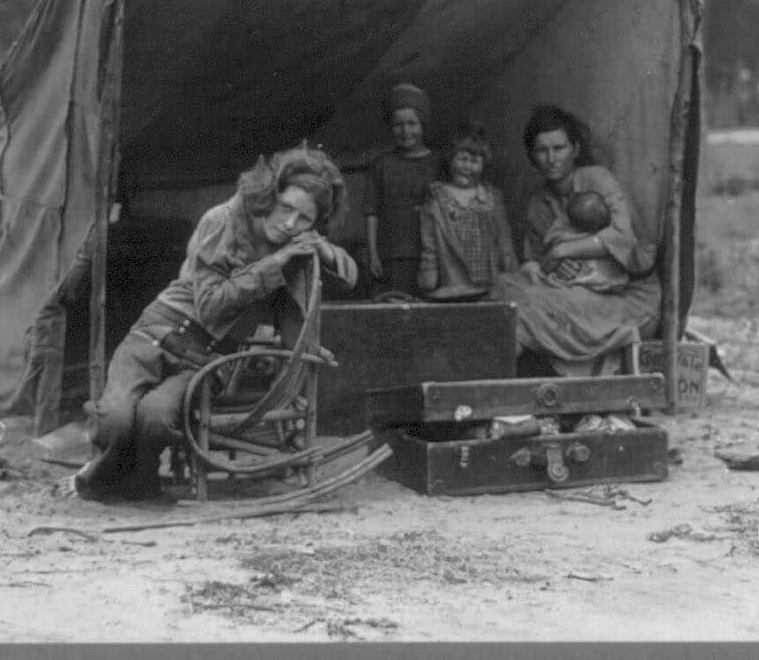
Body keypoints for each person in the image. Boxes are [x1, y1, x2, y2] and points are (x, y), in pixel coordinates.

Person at [74, 146, 358, 502]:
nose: (289, 224)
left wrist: (325, 250)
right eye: (286, 208)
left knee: (156, 417)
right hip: (156, 331)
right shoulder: (222, 221)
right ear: (270, 195)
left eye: (304, 219)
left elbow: (347, 277)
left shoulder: (296, 243)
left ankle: (140, 482)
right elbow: (209, 306)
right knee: (115, 419)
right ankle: (100, 477)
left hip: (209, 356)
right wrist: (275, 264)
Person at [491, 103, 661, 392]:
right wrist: (549, 264)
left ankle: (517, 387)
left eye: (559, 148)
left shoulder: (596, 180)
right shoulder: (538, 205)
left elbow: (621, 236)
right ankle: (504, 386)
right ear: (532, 156)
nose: (551, 158)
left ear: (576, 150)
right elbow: (535, 260)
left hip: (624, 296)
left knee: (523, 309)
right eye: (542, 150)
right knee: (504, 288)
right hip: (569, 288)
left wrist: (563, 252)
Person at [416, 123, 518, 301]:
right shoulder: (437, 198)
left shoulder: (491, 197)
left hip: (489, 284)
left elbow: (505, 240)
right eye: (462, 159)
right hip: (454, 284)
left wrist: (512, 274)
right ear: (450, 159)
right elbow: (429, 243)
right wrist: (428, 275)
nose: (468, 167)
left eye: (475, 161)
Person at [363, 83, 439, 296]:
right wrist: (373, 254)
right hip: (391, 257)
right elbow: (371, 213)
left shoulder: (437, 163)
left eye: (412, 124)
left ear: (423, 124)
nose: (406, 131)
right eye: (398, 125)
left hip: (429, 256)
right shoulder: (382, 165)